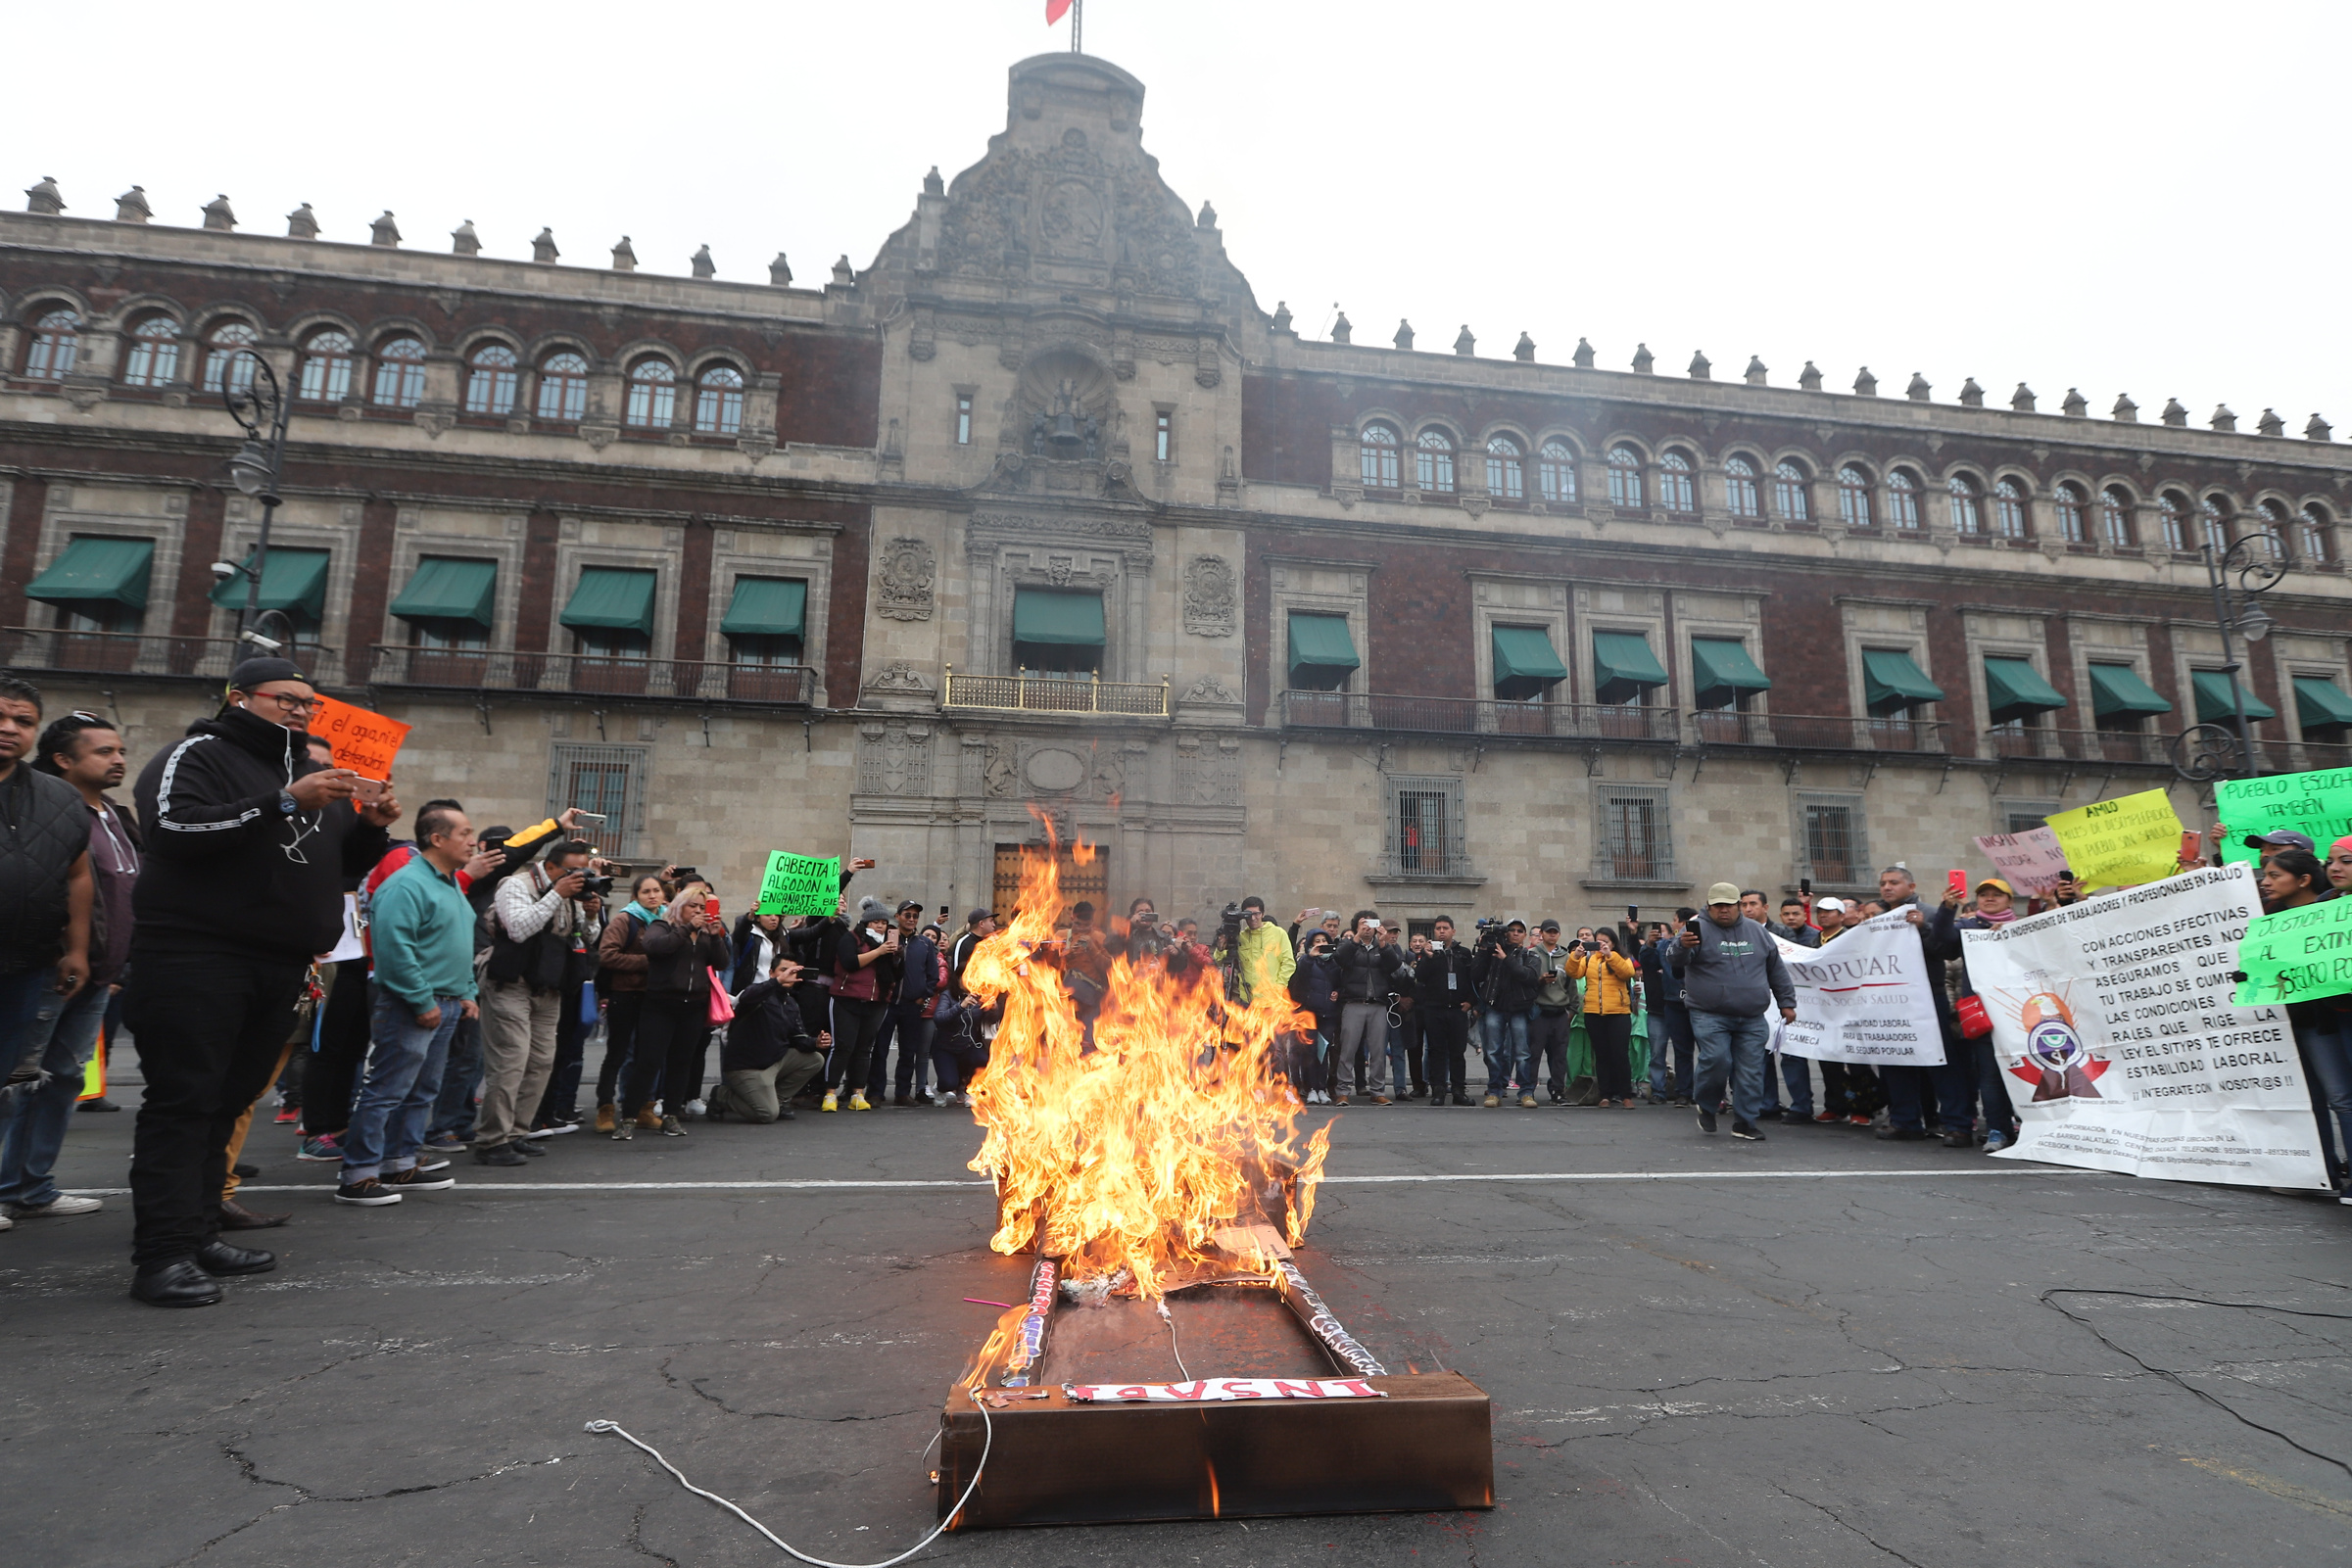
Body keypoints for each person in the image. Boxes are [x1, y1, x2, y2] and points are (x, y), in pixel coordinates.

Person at [123, 656, 396, 1307]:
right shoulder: (197, 754)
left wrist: (370, 828)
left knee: (225, 1106)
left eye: (310, 703)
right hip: (197, 956)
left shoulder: (307, 773)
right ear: (238, 697)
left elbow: (335, 868)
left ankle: (199, 1232)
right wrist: (281, 801)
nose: (302, 711)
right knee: (183, 1104)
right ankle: (161, 1256)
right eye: (288, 700)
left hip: (279, 964)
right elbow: (174, 829)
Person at [1, 708, 118, 1227]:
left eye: (23, 719)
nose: (10, 728)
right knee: (17, 1079)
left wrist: (82, 952)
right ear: (63, 759)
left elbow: (80, 879)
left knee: (39, 1078)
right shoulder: (56, 798)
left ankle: (29, 1186)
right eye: (0, 715)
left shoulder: (82, 806)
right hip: (34, 966)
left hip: (59, 966)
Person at [336, 803, 479, 1205]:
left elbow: (458, 943)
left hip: (445, 1001)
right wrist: (420, 999)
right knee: (386, 1089)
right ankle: (358, 1173)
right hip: (414, 1003)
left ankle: (399, 1162)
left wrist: (466, 992)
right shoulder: (406, 884)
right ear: (437, 839)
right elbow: (395, 950)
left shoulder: (448, 882)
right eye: (465, 833)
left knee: (421, 1091)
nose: (473, 841)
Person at [474, 838, 595, 1164]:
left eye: (583, 870)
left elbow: (580, 938)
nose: (578, 876)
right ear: (551, 867)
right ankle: (491, 1140)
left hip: (548, 986)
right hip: (510, 983)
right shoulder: (515, 885)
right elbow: (517, 929)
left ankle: (515, 1133)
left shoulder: (570, 893)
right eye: (572, 870)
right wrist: (558, 894)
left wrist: (591, 915)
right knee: (510, 1062)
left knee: (540, 1063)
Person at [2256, 849, 2351, 1198]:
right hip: (2286, 1020)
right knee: (2306, 1099)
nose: (2265, 882)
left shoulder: (2333, 911)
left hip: (2322, 1020)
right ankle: (2319, 1170)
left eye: (2274, 875)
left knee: (2340, 1097)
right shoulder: (2268, 915)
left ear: (2304, 880)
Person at [1672, 881, 1797, 1142]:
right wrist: (1681, 946)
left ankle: (1744, 1121)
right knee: (1717, 1060)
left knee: (1751, 1070)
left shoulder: (1757, 932)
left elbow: (1776, 968)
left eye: (1728, 905)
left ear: (1738, 906)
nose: (1723, 911)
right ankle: (1707, 1104)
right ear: (1708, 906)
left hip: (1752, 1016)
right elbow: (1675, 962)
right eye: (1717, 906)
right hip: (1709, 1013)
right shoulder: (1695, 930)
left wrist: (1787, 1002)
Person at [616, 885, 731, 1138]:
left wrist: (714, 935)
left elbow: (722, 962)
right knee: (649, 1061)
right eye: (694, 906)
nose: (699, 912)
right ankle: (628, 1117)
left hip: (693, 1007)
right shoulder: (663, 925)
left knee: (682, 1062)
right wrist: (688, 928)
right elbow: (655, 947)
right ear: (680, 906)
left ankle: (670, 1114)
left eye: (703, 908)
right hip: (661, 1004)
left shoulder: (704, 934)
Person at [1877, 865, 1977, 1147]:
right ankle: (1905, 1121)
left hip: (1926, 997)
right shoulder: (1878, 917)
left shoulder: (1930, 913)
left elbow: (1948, 950)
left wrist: (1924, 927)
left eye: (1894, 882)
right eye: (1883, 883)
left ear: (1911, 886)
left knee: (1941, 1060)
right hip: (1890, 999)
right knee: (1896, 1060)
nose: (1887, 887)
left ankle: (1957, 1124)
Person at [1931, 877, 2022, 1153]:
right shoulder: (1967, 927)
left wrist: (2012, 933)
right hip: (1983, 1013)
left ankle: (2029, 1124)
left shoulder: (2023, 927)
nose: (1989, 898)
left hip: (2020, 1012)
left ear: (2009, 900)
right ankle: (1997, 1129)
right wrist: (1947, 908)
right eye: (1984, 895)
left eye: (1997, 894)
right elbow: (1942, 942)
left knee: (2025, 1071)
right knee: (1990, 1075)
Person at [707, 952, 827, 1123]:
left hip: (774, 1062)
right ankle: (721, 1095)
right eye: (783, 970)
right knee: (767, 1115)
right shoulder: (758, 993)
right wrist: (776, 983)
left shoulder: (791, 1003)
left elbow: (799, 1039)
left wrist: (816, 1042)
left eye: (793, 972)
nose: (788, 975)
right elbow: (747, 997)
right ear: (771, 973)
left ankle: (778, 1101)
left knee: (815, 1059)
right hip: (746, 1066)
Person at [595, 874, 666, 1134]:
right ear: (636, 895)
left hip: (654, 997)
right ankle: (605, 1109)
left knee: (647, 1056)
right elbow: (607, 955)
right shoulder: (625, 919)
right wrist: (648, 962)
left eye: (656, 890)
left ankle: (643, 1109)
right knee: (617, 1054)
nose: (652, 895)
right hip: (624, 995)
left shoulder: (666, 919)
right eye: (646, 891)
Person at [822, 897, 900, 1113]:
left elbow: (896, 974)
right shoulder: (852, 938)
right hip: (846, 998)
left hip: (876, 1002)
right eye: (876, 922)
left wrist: (896, 957)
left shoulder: (889, 944)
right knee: (842, 1047)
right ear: (866, 923)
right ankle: (830, 1093)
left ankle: (858, 1093)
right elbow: (849, 963)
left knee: (864, 1049)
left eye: (884, 923)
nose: (880, 926)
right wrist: (879, 952)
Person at [1330, 911, 1404, 1104]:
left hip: (1378, 1004)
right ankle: (1343, 1090)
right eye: (1364, 924)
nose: (1367, 928)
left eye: (1371, 924)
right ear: (1356, 926)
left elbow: (1394, 965)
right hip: (1354, 1003)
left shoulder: (1382, 946)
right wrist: (1356, 938)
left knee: (1378, 1050)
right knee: (1348, 1049)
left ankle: (1377, 1091)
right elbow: (1340, 959)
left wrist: (1383, 942)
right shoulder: (1349, 945)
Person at [1472, 919, 1543, 1108]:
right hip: (1495, 1007)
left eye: (1520, 930)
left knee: (1522, 1052)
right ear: (1505, 933)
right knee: (1493, 1051)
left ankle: (1526, 1092)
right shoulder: (1492, 953)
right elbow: (1475, 975)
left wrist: (1506, 959)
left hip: (1519, 1009)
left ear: (1525, 935)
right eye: (1512, 930)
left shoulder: (1530, 955)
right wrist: (1482, 951)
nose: (1516, 933)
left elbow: (1529, 977)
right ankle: (1495, 1090)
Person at [881, 899, 943, 1106]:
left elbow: (933, 976)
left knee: (908, 1051)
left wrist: (922, 996)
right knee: (880, 1049)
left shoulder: (925, 944)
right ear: (898, 917)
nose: (911, 919)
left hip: (911, 1004)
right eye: (907, 915)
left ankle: (902, 1093)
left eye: (915, 916)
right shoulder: (887, 939)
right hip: (888, 1003)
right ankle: (875, 1091)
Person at [933, 909, 997, 1104]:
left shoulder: (988, 944)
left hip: (980, 1001)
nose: (994, 924)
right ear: (980, 923)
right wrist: (961, 998)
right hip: (960, 1004)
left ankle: (971, 1086)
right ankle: (951, 1084)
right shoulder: (964, 943)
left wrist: (992, 1003)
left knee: (980, 1047)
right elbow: (958, 972)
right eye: (990, 921)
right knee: (959, 1040)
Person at [1570, 928, 1639, 1107]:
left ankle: (1625, 1095)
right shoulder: (1589, 960)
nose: (1601, 945)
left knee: (1620, 1054)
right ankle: (1605, 1094)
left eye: (1605, 942)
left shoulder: (1620, 957)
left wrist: (1610, 955)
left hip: (1618, 1013)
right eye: (1598, 942)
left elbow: (1627, 973)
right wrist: (1576, 956)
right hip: (1594, 1013)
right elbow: (1573, 973)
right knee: (1602, 1055)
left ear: (1613, 943)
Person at [1411, 917, 1475, 1106]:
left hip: (1457, 1009)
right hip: (1434, 1009)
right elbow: (1420, 977)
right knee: (1436, 1051)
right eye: (1438, 928)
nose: (1441, 931)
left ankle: (1458, 1091)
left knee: (1457, 1052)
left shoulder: (1463, 953)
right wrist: (1428, 957)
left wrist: (1471, 1002)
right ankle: (1438, 1090)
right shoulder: (1429, 953)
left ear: (1452, 931)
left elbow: (1473, 979)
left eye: (1445, 928)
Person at [1642, 911, 1697, 1107]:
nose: (1674, 923)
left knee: (1710, 1051)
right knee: (1682, 1051)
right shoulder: (1666, 945)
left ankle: (1710, 1092)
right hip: (1673, 1002)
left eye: (1675, 920)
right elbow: (1647, 963)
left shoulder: (1705, 943)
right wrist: (1649, 945)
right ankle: (1683, 1092)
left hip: (1700, 1004)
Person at [1528, 921, 1578, 1105]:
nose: (1552, 935)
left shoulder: (1566, 956)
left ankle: (1558, 1091)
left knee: (1559, 1056)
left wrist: (1572, 1010)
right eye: (1548, 932)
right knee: (1533, 1054)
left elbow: (1571, 984)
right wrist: (1540, 981)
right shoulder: (1532, 954)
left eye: (1555, 932)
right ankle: (1528, 1091)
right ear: (1541, 933)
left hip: (1560, 1012)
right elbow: (1526, 982)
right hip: (1539, 1011)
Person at [1289, 928, 1341, 1102]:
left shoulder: (1334, 963)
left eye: (1323, 941)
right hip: (1308, 1014)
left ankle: (1321, 1088)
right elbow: (1299, 978)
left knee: (1323, 1052)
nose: (1321, 944)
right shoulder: (1306, 961)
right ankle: (1310, 1088)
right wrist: (1309, 957)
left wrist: (1337, 992)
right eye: (1317, 941)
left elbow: (1341, 983)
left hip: (1327, 1014)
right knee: (1309, 1051)